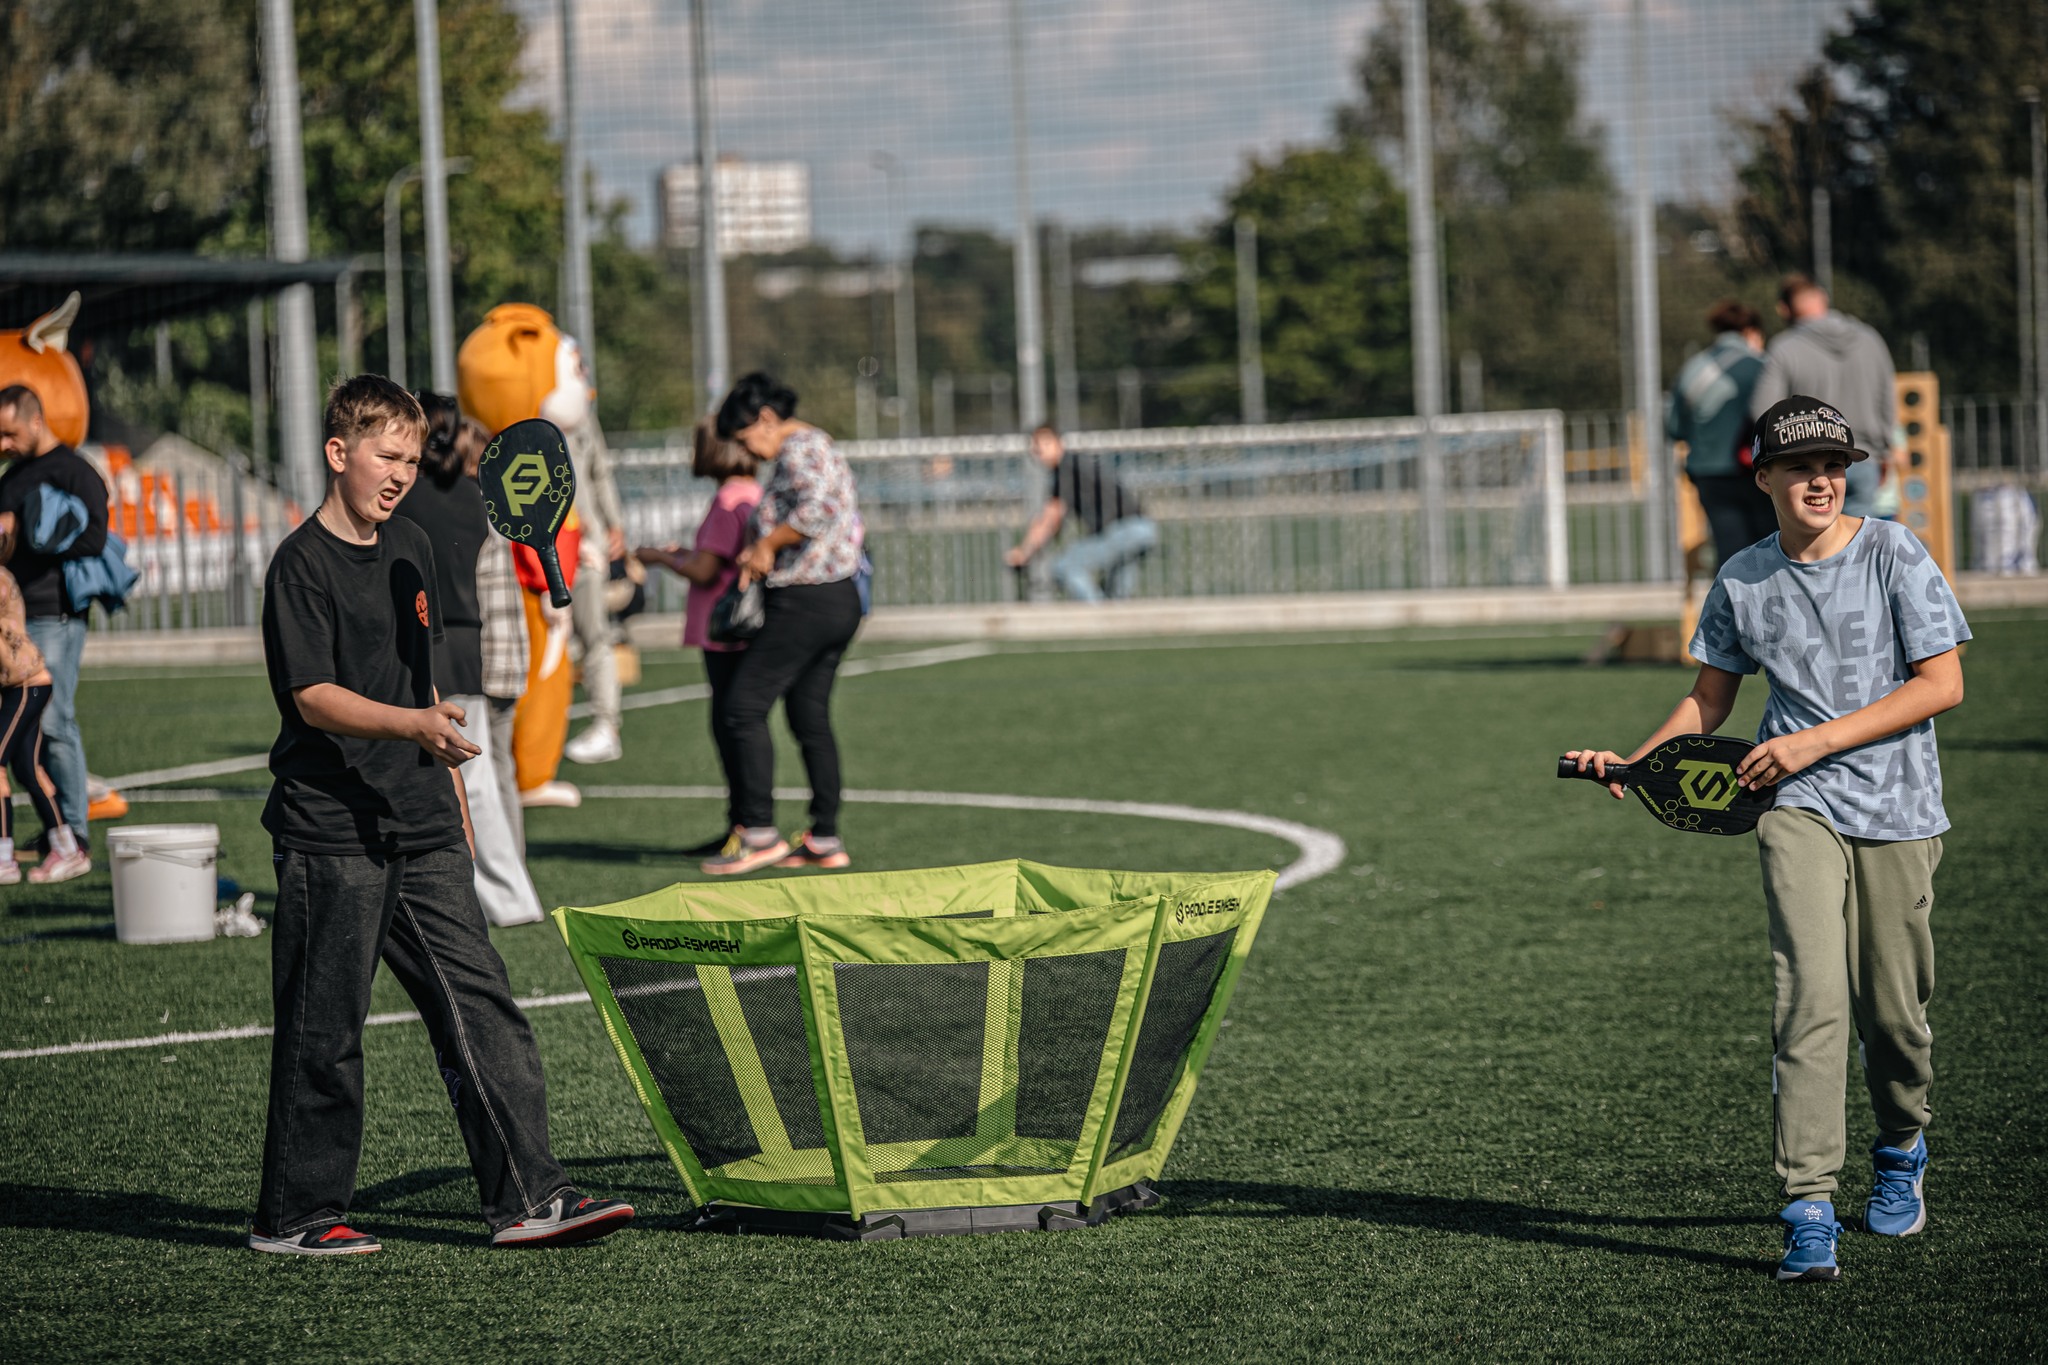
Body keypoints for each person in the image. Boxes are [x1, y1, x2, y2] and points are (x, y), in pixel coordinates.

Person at [1568, 396, 1967, 1284]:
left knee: (1895, 1018)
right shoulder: (1743, 577)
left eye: (1833, 464)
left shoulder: (1894, 551)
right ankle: (1808, 1203)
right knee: (1809, 998)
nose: (1820, 478)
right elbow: (1709, 702)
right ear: (1766, 478)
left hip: (1900, 808)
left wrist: (1814, 737)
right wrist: (1633, 763)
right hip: (1795, 806)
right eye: (1799, 466)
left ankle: (1901, 1145)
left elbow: (1942, 684)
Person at [251, 374, 631, 1255]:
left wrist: (444, 773)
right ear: (338, 452)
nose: (400, 473)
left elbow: (416, 678)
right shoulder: (299, 564)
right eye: (387, 455)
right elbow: (312, 696)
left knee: (482, 1003)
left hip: (420, 822)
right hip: (330, 827)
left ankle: (532, 1197)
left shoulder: (414, 542)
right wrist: (416, 725)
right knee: (326, 1028)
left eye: (413, 460)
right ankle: (296, 1215)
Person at [392, 393, 544, 927]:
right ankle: (502, 895)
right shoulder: (478, 497)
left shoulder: (401, 502)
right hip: (466, 648)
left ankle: (507, 900)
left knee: (470, 778)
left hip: (432, 649)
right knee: (477, 777)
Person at [704, 372, 861, 876]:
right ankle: (824, 836)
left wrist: (767, 544)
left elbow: (820, 508)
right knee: (808, 716)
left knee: (742, 708)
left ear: (766, 418)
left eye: (747, 436)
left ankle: (760, 833)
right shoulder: (819, 445)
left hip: (807, 600)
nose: (749, 449)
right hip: (838, 598)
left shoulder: (799, 447)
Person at [637, 418, 762, 858]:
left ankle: (745, 825)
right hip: (745, 630)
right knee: (738, 726)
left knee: (731, 727)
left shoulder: (728, 498)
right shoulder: (753, 494)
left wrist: (659, 557)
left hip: (725, 630)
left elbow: (706, 569)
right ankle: (743, 823)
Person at [0, 383, 108, 847]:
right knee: (22, 732)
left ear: (36, 420)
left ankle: (75, 834)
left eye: (10, 432)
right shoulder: (11, 476)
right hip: (14, 619)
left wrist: (35, 541)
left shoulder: (74, 471)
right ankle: (54, 830)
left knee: (54, 721)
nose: (3, 443)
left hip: (55, 614)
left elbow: (97, 538)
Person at [1749, 275, 1902, 519]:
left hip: (1804, 464)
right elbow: (1888, 403)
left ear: (1784, 309)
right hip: (1865, 456)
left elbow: (1762, 412)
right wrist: (1886, 452)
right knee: (1859, 542)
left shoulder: (1785, 348)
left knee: (1812, 545)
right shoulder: (1869, 339)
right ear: (1824, 299)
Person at [0, 518, 87, 884]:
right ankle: (66, 847)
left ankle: (4, 858)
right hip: (23, 683)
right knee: (26, 768)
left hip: (27, 684)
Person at [1668, 300, 1776, 567]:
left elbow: (1674, 428)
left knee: (1730, 553)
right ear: (1751, 331)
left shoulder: (1692, 368)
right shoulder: (1761, 366)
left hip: (1708, 474)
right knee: (1771, 551)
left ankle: (1729, 607)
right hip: (1752, 472)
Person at [1005, 424, 1157, 602]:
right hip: (1142, 529)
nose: (1038, 453)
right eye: (1035, 449)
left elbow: (1051, 517)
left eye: (1043, 445)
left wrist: (1024, 552)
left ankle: (1099, 618)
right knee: (1117, 597)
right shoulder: (1075, 465)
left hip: (1125, 531)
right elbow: (1056, 524)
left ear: (1058, 442)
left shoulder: (1066, 468)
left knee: (1065, 567)